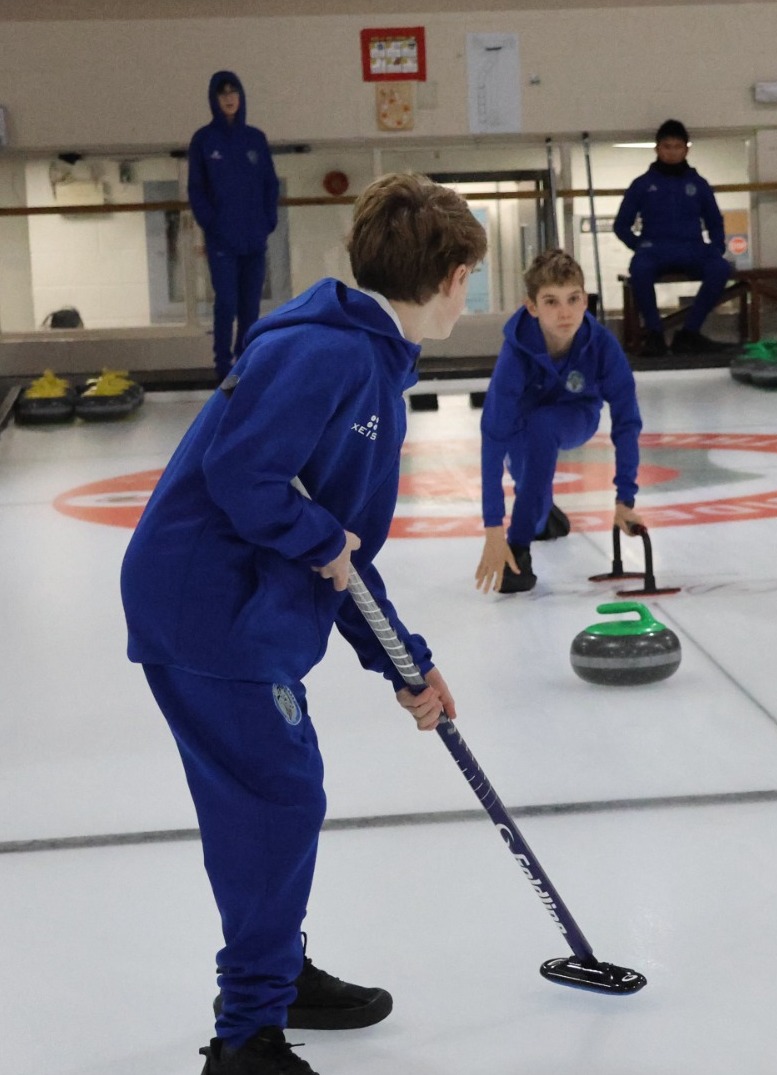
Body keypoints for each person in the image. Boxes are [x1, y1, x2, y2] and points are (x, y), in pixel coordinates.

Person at [121, 173, 487, 1075]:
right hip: (213, 612)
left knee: (271, 803)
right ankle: (246, 1033)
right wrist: (319, 533)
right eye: (467, 277)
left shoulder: (365, 355)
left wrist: (407, 663)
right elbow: (248, 478)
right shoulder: (330, 355)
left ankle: (274, 974)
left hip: (231, 607)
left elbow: (344, 557)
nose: (468, 294)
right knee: (277, 803)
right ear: (446, 279)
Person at [476, 249, 646, 595]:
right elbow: (493, 434)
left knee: (545, 427)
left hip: (575, 416)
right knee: (532, 494)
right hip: (522, 426)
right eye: (551, 302)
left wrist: (625, 500)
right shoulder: (515, 354)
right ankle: (545, 518)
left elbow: (627, 421)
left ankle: (520, 550)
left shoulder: (603, 347)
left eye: (573, 299)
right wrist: (492, 525)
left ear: (586, 300)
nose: (565, 311)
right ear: (532, 307)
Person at [188, 71, 280, 381]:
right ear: (214, 99)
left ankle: (247, 364)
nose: (229, 98)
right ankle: (223, 367)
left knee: (250, 308)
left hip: (254, 238)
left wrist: (269, 220)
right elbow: (196, 189)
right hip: (221, 241)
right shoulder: (203, 140)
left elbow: (270, 183)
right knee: (226, 303)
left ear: (241, 97)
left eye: (234, 92)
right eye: (222, 93)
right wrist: (211, 224)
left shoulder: (255, 138)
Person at [614, 118, 733, 358]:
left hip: (692, 248)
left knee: (720, 268)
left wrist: (717, 246)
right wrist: (639, 246)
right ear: (658, 149)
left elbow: (714, 220)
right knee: (639, 270)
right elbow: (621, 225)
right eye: (667, 147)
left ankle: (689, 334)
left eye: (677, 147)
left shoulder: (698, 184)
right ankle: (655, 335)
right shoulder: (642, 184)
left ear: (686, 149)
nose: (672, 152)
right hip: (655, 249)